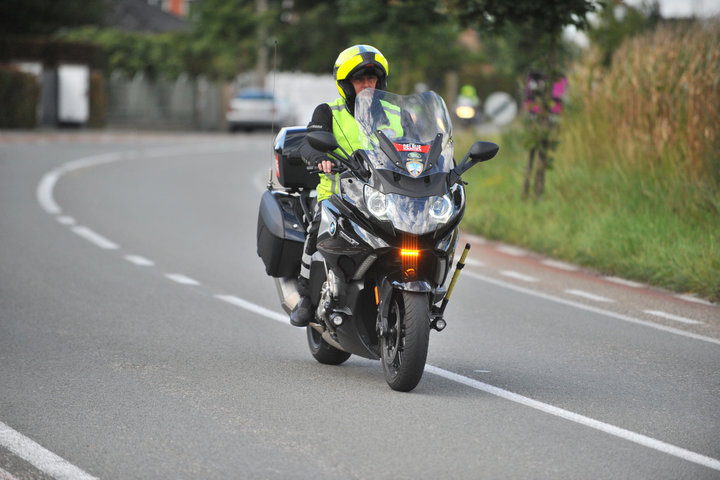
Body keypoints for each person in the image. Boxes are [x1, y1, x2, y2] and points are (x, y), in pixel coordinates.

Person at [290, 44, 394, 327]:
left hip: (384, 195)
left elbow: (419, 143)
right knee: (317, 230)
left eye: (372, 79)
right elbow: (309, 143)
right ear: (347, 83)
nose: (367, 84)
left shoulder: (396, 114)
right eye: (360, 79)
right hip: (338, 195)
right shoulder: (328, 112)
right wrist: (320, 158)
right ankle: (306, 298)